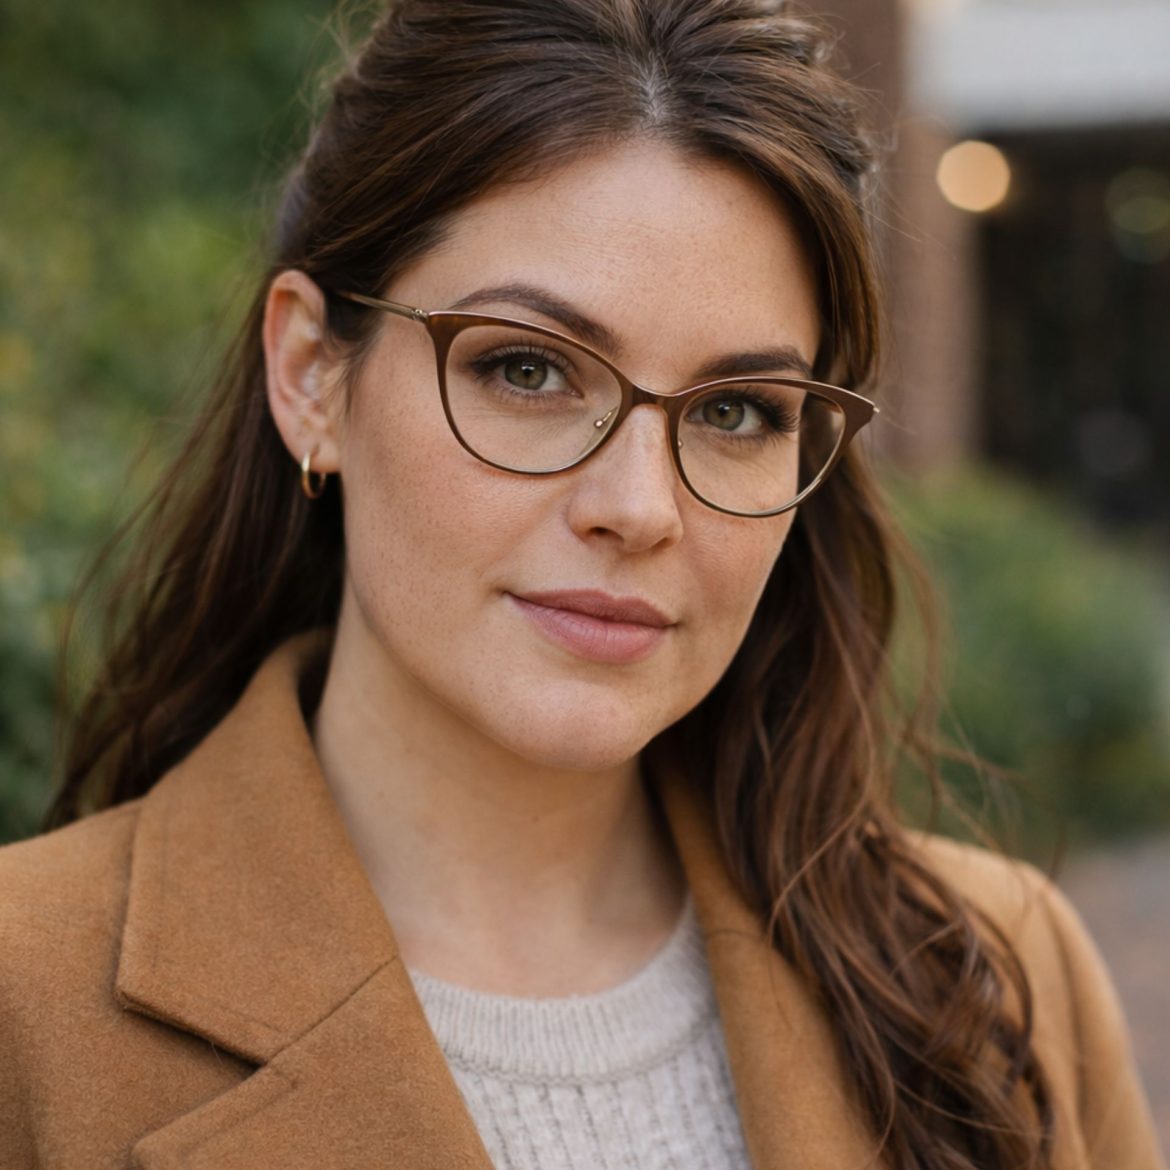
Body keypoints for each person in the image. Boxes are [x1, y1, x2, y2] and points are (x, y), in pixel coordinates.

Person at [0, 1, 1163, 1167]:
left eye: (734, 411)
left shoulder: (994, 984)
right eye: (528, 368)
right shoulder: (28, 1006)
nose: (640, 508)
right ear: (311, 373)